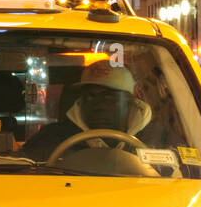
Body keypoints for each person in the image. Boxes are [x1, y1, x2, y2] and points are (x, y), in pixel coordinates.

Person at [23, 62, 151, 162]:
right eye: (90, 95)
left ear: (129, 100)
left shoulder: (155, 137)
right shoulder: (52, 139)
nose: (98, 104)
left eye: (108, 96)